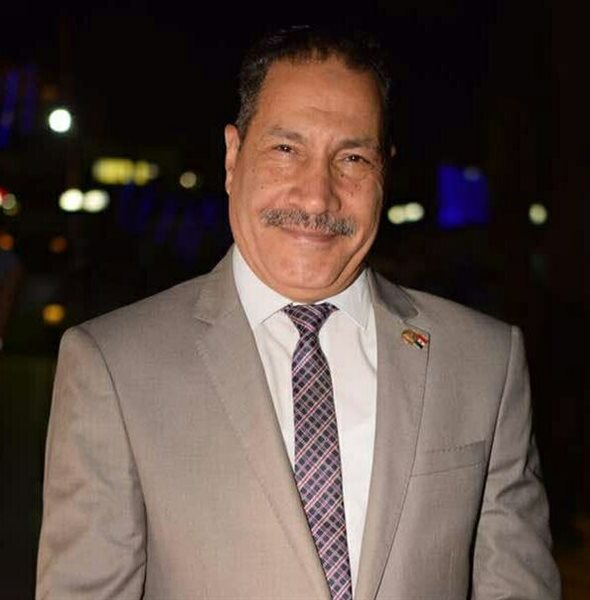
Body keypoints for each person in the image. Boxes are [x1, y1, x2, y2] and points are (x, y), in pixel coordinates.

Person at [36, 26, 561, 599]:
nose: (317, 197)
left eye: (352, 158)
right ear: (233, 156)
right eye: (286, 150)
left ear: (384, 172)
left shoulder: (485, 362)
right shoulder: (113, 368)